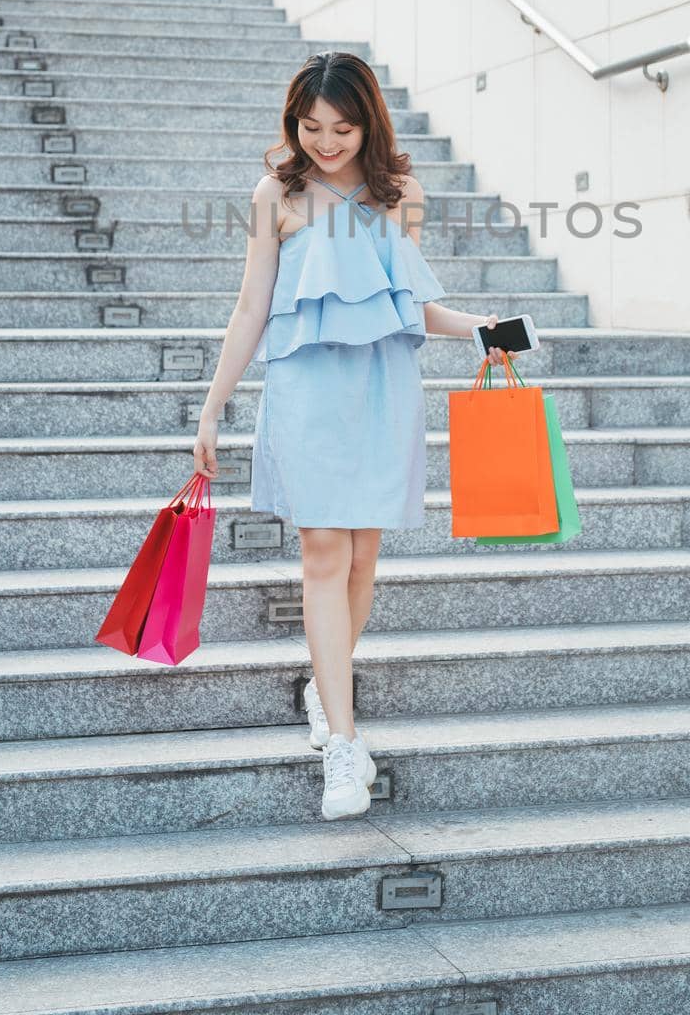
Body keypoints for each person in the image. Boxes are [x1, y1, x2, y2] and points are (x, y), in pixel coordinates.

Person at [193, 51, 515, 820]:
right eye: (310, 127)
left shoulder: (399, 194)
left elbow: (404, 303)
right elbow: (251, 309)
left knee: (365, 555)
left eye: (341, 127)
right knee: (323, 552)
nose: (325, 142)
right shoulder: (277, 193)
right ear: (292, 125)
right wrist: (211, 408)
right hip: (306, 388)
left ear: (367, 122)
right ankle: (343, 741)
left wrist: (481, 329)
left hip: (380, 388)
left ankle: (323, 682)